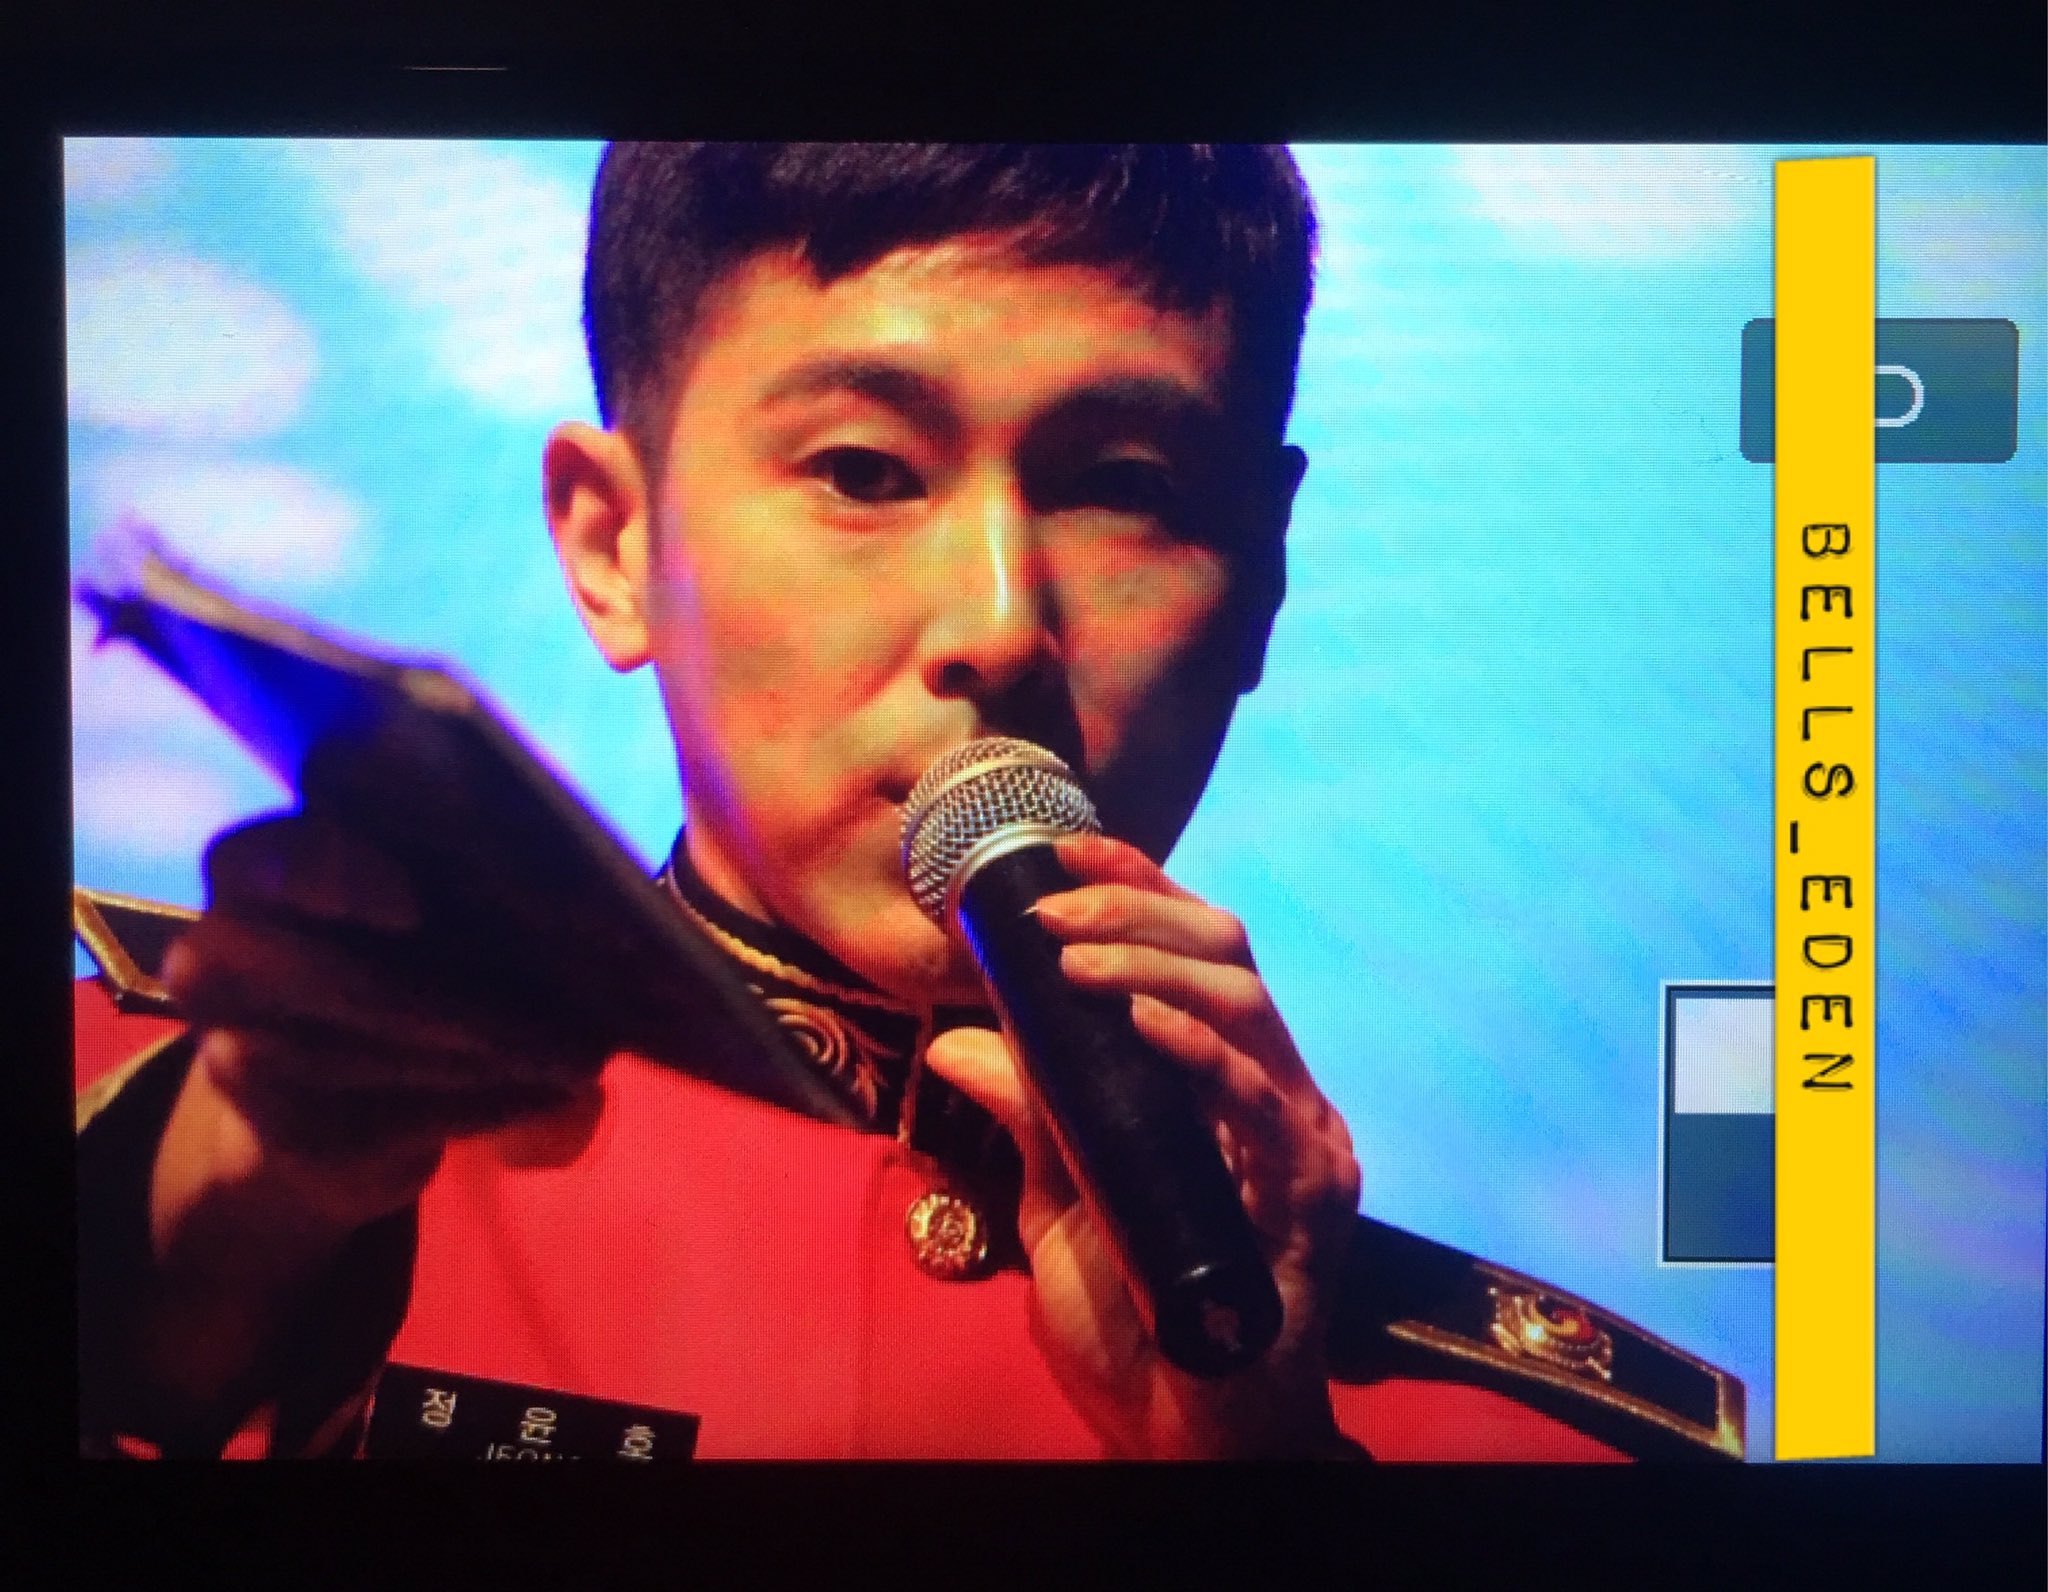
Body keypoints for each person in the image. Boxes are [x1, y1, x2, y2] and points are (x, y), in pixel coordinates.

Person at [73, 142, 1744, 1461]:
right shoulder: (174, 1131)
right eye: (866, 472)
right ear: (613, 544)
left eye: (1126, 486)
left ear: (1265, 576)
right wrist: (212, 1241)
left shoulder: (1512, 1446)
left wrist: (1255, 1465)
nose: (1001, 625)